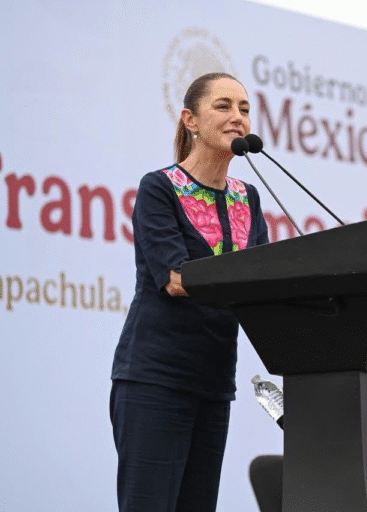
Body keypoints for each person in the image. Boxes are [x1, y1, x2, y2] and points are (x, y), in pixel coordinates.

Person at [109, 72, 269, 512]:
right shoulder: (159, 187)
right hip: (155, 379)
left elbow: (265, 280)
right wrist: (251, 282)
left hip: (214, 383)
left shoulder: (249, 197)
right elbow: (175, 279)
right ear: (190, 119)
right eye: (223, 106)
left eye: (244, 109)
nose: (237, 117)